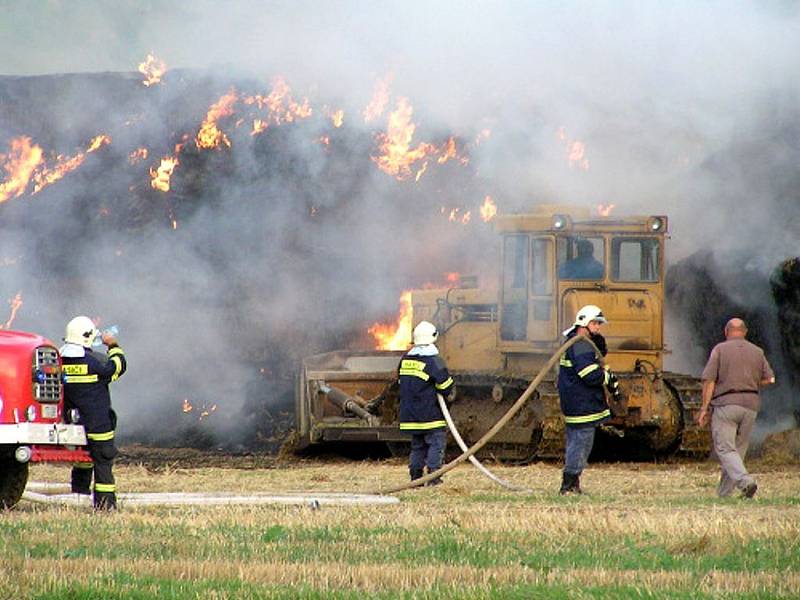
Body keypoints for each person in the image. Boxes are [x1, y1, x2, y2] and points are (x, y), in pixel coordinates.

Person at [697, 318, 774, 498]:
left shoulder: (720, 350)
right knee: (736, 452)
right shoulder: (757, 351)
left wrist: (704, 409)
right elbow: (770, 379)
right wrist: (752, 383)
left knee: (724, 448)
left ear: (726, 331)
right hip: (751, 406)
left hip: (726, 405)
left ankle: (746, 483)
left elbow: (709, 381)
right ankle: (724, 493)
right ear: (745, 332)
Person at [61, 316, 127, 511]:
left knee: (82, 460)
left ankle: (78, 496)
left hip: (73, 424)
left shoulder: (59, 361)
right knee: (103, 462)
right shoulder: (95, 363)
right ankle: (105, 506)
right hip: (98, 425)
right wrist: (113, 345)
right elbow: (118, 367)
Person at [557, 304, 621, 494]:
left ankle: (573, 484)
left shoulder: (580, 343)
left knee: (578, 442)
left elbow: (598, 355)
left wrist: (598, 341)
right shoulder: (580, 345)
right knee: (580, 444)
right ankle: (568, 486)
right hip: (581, 404)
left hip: (578, 402)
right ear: (584, 323)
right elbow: (590, 375)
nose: (598, 327)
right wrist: (608, 378)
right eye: (595, 323)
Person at [398, 320, 455, 486]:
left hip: (410, 415)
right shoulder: (433, 361)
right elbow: (446, 387)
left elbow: (401, 383)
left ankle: (415, 477)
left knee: (417, 447)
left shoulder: (405, 359)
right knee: (436, 444)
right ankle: (433, 477)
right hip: (430, 415)